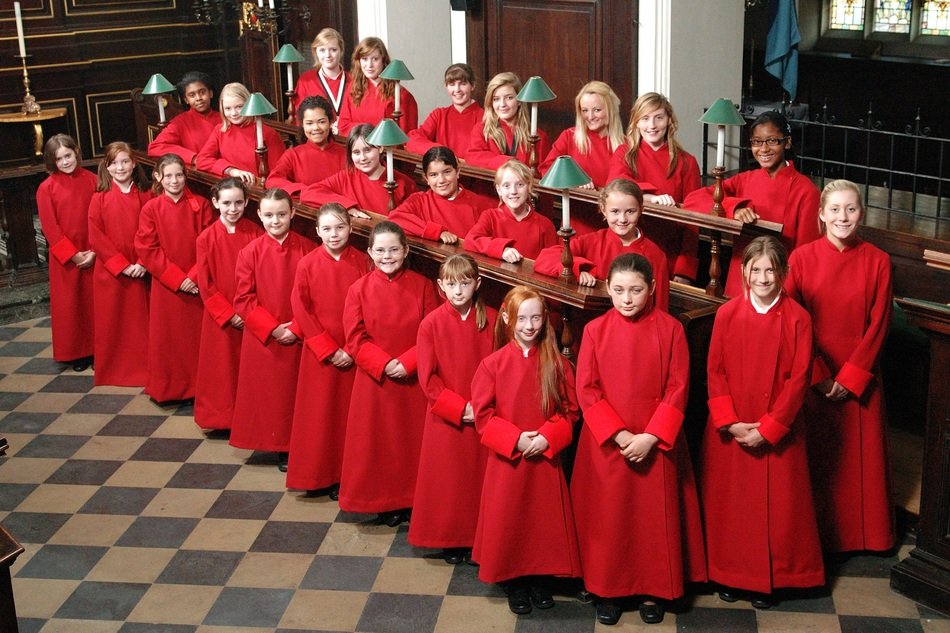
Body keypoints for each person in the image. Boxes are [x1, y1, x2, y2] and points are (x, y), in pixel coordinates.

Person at [572, 253, 706, 625]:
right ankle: (607, 588)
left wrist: (651, 436)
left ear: (652, 290)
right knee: (610, 518)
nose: (626, 299)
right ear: (608, 289)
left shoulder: (671, 329)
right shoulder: (594, 330)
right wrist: (618, 434)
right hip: (608, 441)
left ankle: (654, 588)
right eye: (618, 290)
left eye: (635, 290)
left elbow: (679, 387)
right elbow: (587, 389)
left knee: (651, 519)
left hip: (655, 439)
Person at [701, 236, 824, 609]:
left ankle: (776, 576)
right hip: (732, 429)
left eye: (771, 269)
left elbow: (799, 378)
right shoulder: (726, 314)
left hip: (778, 431)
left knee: (780, 510)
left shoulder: (799, 318)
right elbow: (715, 370)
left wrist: (769, 428)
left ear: (783, 273)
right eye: (757, 269)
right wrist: (732, 422)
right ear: (744, 272)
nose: (764, 276)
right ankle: (730, 572)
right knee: (732, 507)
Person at [786, 179, 895, 554]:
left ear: (861, 213)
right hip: (814, 372)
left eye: (850, 209)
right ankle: (818, 537)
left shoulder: (878, 261)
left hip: (860, 375)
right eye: (834, 209)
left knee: (857, 463)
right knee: (819, 458)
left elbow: (880, 324)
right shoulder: (800, 259)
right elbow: (792, 322)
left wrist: (850, 378)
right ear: (821, 215)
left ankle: (863, 539)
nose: (842, 217)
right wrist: (819, 375)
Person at [470, 285, 581, 615]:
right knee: (509, 519)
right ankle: (513, 580)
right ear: (507, 317)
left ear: (545, 319)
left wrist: (546, 437)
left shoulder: (557, 363)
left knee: (541, 522)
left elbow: (570, 410)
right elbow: (483, 414)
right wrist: (516, 440)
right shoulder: (492, 364)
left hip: (544, 455)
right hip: (509, 457)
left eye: (536, 318)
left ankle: (539, 577)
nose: (530, 326)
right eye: (522, 318)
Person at [338, 221, 439, 526]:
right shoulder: (359, 289)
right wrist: (383, 364)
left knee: (412, 442)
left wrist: (407, 362)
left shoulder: (422, 286)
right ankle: (383, 501)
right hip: (375, 380)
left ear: (405, 250)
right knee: (378, 443)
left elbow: (431, 331)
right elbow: (354, 336)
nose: (387, 256)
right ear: (370, 252)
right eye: (380, 250)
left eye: (394, 249)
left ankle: (412, 501)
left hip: (412, 377)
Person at [409, 254, 496, 564]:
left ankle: (480, 537)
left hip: (485, 412)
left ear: (478, 284)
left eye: (465, 283)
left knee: (481, 478)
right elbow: (427, 376)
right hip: (448, 414)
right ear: (440, 286)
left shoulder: (494, 319)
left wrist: (482, 407)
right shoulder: (431, 323)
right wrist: (459, 408)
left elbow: (501, 369)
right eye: (451, 284)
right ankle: (452, 537)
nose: (458, 291)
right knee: (451, 479)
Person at [683, 110, 820, 296]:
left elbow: (806, 256)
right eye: (757, 142)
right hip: (740, 282)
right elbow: (694, 199)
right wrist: (734, 208)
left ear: (787, 142)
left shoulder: (806, 191)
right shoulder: (745, 180)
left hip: (780, 285)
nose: (763, 149)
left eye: (772, 141)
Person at [285, 203, 371, 497]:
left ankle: (346, 476)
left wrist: (350, 348)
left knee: (349, 418)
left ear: (350, 228)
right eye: (327, 229)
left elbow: (368, 309)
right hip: (321, 352)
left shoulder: (362, 261)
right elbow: (301, 307)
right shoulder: (307, 264)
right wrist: (327, 348)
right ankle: (318, 476)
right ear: (317, 231)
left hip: (352, 350)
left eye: (340, 228)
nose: (334, 235)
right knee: (320, 415)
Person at [230, 188, 315, 469]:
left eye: (281, 214)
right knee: (272, 395)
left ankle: (298, 446)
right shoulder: (249, 252)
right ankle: (279, 445)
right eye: (268, 215)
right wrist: (274, 329)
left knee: (299, 394)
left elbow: (315, 296)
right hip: (266, 335)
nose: (275, 221)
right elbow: (243, 298)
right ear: (259, 215)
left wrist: (297, 327)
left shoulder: (308, 248)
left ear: (293, 213)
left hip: (300, 331)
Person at [135, 153, 213, 403]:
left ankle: (197, 386)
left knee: (195, 339)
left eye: (179, 175)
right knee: (168, 338)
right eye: (168, 176)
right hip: (167, 284)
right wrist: (178, 280)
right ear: (158, 177)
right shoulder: (151, 208)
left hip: (196, 282)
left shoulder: (200, 205)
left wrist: (194, 276)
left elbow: (209, 243)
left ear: (185, 175)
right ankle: (169, 389)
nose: (174, 180)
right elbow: (147, 248)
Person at [534, 179, 670, 311]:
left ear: (641, 210)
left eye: (630, 211)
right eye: (615, 211)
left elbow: (660, 308)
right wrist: (577, 269)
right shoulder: (592, 241)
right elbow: (544, 259)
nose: (622, 219)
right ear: (603, 210)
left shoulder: (656, 255)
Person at [607, 92, 702, 282]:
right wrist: (650, 198)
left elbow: (693, 221)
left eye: (659, 118)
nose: (652, 125)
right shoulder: (624, 153)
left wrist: (684, 269)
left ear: (669, 121)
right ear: (636, 122)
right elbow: (616, 185)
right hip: (627, 246)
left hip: (669, 252)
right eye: (645, 118)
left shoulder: (687, 162)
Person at [193, 178, 263, 430]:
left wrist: (249, 312)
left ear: (246, 202)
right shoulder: (206, 238)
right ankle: (223, 418)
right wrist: (228, 314)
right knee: (223, 369)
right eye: (226, 203)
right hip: (221, 316)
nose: (232, 209)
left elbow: (261, 275)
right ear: (215, 203)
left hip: (250, 314)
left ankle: (249, 419)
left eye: (238, 203)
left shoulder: (255, 231)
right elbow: (205, 282)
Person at [87, 141, 151, 386]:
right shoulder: (99, 198)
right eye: (115, 163)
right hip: (112, 272)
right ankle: (116, 370)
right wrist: (122, 265)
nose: (121, 167)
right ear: (107, 167)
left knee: (143, 324)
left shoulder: (147, 194)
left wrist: (143, 261)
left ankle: (147, 369)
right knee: (114, 323)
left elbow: (153, 231)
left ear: (134, 164)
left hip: (142, 267)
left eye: (125, 161)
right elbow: (96, 235)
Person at [37, 134, 97, 371]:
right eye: (59, 158)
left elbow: (99, 217)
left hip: (93, 251)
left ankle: (97, 348)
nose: (65, 162)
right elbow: (50, 228)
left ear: (77, 152)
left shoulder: (92, 180)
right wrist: (74, 255)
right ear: (52, 161)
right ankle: (78, 352)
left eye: (68, 156)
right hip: (67, 257)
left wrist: (94, 251)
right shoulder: (46, 188)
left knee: (95, 303)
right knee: (72, 306)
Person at [299, 123, 415, 217]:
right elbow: (308, 193)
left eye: (368, 150)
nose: (363, 158)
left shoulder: (404, 182)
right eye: (356, 152)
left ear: (380, 148)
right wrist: (346, 206)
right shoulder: (345, 177)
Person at [389, 146, 494, 243]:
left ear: (457, 172)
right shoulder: (419, 200)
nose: (441, 180)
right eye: (433, 175)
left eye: (447, 172)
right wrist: (437, 232)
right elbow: (395, 218)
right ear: (426, 179)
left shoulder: (480, 204)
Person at [463, 159, 557, 262]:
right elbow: (470, 241)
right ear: (499, 190)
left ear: (529, 186)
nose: (513, 191)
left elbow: (552, 260)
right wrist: (502, 249)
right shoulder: (490, 216)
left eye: (520, 184)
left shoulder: (545, 225)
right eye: (506, 186)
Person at [539, 81, 625, 191]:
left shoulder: (626, 144)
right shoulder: (569, 136)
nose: (590, 116)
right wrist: (574, 183)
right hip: (573, 205)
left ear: (611, 110)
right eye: (585, 110)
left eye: (597, 110)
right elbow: (547, 171)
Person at [195, 82, 286, 184]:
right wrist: (230, 170)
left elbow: (279, 172)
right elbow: (201, 160)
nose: (233, 113)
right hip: (231, 187)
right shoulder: (220, 130)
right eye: (228, 108)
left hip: (259, 189)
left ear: (248, 105)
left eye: (239, 107)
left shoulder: (268, 133)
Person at [466, 72, 549, 170]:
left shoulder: (538, 136)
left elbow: (544, 172)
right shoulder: (481, 130)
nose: (502, 104)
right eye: (496, 99)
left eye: (509, 98)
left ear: (519, 101)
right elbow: (472, 157)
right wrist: (507, 161)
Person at [336, 37, 418, 135]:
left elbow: (406, 137)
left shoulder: (402, 96)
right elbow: (343, 125)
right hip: (357, 147)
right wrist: (368, 130)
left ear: (383, 60)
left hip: (386, 149)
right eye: (364, 59)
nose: (369, 65)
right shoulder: (353, 89)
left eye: (375, 59)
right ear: (359, 61)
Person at [267, 95, 347, 196]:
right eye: (309, 123)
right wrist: (305, 190)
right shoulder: (293, 155)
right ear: (302, 125)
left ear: (330, 122)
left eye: (321, 122)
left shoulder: (345, 154)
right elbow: (273, 180)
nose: (316, 128)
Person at [406, 63, 484, 158]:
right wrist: (441, 152)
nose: (457, 89)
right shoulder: (439, 115)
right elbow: (412, 140)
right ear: (446, 86)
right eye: (452, 84)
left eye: (463, 84)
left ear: (472, 85)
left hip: (472, 172)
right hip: (441, 171)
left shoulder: (485, 117)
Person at [148, 71, 218, 167]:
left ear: (210, 93)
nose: (198, 98)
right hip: (200, 175)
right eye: (192, 95)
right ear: (186, 99)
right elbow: (155, 147)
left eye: (202, 92)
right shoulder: (179, 122)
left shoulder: (225, 118)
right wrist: (193, 158)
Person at [291, 28, 349, 121]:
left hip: (348, 134)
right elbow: (300, 116)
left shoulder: (354, 80)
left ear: (341, 51)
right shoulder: (306, 80)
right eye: (322, 50)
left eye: (333, 50)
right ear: (315, 52)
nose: (328, 55)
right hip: (317, 133)